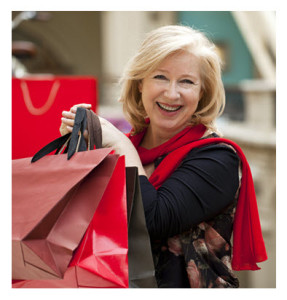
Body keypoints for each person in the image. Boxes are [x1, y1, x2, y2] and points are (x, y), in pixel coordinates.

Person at [60, 25, 267, 288]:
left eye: (187, 81)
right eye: (160, 77)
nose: (171, 93)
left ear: (202, 92)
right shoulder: (126, 145)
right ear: (140, 84)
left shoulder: (218, 158)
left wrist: (121, 145)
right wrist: (76, 150)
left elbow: (153, 221)